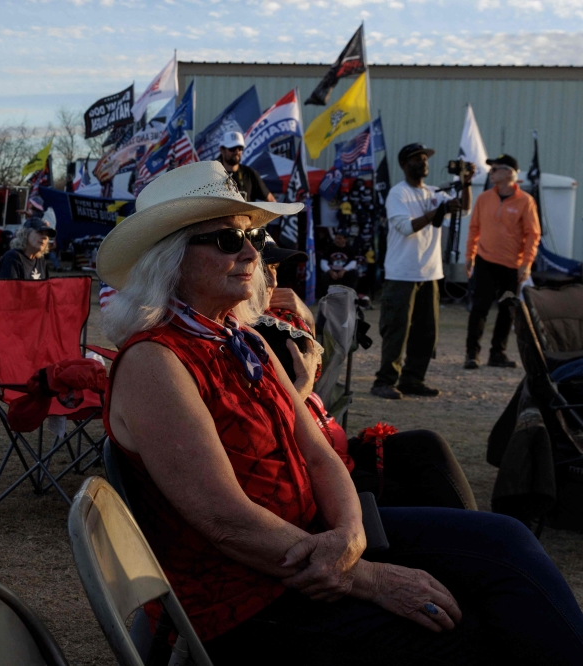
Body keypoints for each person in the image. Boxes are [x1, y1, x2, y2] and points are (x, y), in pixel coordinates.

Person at [97, 161, 583, 665]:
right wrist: (367, 576)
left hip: (314, 544)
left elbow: (320, 454)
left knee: (505, 541)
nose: (250, 252)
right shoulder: (154, 361)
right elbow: (225, 522)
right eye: (225, 240)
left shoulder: (243, 341)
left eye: (253, 238)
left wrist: (352, 539)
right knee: (468, 629)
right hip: (245, 598)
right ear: (171, 258)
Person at [256, 237, 476, 510]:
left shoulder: (277, 319)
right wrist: (304, 383)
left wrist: (307, 317)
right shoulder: (252, 337)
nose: (273, 282)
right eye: (262, 269)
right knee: (417, 495)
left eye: (276, 268)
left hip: (335, 450)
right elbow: (264, 427)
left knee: (428, 445)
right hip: (317, 472)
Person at [372, 143, 473, 400]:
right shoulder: (398, 194)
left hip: (430, 274)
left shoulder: (433, 192)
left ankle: (412, 379)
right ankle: (384, 381)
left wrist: (466, 183)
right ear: (404, 165)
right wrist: (436, 212)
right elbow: (406, 228)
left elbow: (464, 207)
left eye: (425, 158)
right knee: (397, 330)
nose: (424, 162)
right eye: (417, 159)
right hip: (401, 274)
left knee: (427, 332)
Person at [464, 153, 541, 370]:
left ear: (509, 173)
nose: (491, 172)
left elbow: (532, 235)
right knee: (479, 307)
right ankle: (472, 354)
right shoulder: (484, 198)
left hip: (511, 266)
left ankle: (497, 353)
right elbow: (474, 229)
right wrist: (469, 256)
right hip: (485, 261)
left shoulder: (526, 201)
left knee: (507, 309)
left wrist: (526, 264)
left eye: (495, 169)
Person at [217, 131, 276, 203]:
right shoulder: (213, 174)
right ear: (222, 150)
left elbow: (271, 200)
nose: (237, 152)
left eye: (240, 148)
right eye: (232, 148)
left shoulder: (250, 174)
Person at [318, 228, 359, 295]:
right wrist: (330, 272)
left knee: (354, 273)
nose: (337, 240)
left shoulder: (350, 249)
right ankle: (326, 295)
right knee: (323, 275)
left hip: (343, 273)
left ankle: (349, 295)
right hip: (331, 272)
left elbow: (353, 263)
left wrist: (343, 270)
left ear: (345, 239)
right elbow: (323, 262)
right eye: (336, 238)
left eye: (340, 238)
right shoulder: (329, 247)